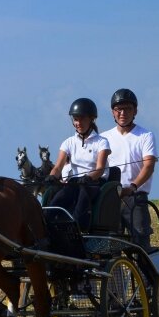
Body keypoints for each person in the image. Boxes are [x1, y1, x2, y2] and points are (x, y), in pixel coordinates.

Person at [102, 88, 158, 250]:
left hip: (135, 197)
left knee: (140, 245)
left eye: (127, 109)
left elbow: (149, 166)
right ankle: (118, 276)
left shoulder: (145, 135)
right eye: (118, 109)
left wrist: (132, 187)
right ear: (113, 112)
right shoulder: (104, 137)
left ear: (135, 111)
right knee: (110, 247)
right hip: (111, 198)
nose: (122, 113)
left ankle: (145, 274)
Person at [46, 98, 111, 231]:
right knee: (57, 199)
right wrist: (52, 176)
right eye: (75, 119)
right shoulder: (68, 142)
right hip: (75, 182)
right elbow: (58, 166)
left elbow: (100, 169)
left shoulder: (102, 142)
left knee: (83, 193)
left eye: (82, 119)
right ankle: (48, 227)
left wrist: (88, 177)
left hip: (94, 182)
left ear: (91, 119)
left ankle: (77, 228)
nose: (78, 123)